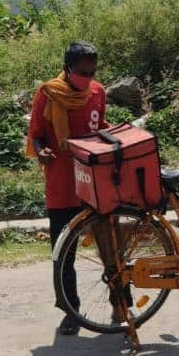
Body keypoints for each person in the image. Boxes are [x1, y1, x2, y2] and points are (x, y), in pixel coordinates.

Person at [25, 42, 108, 335]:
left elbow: (101, 127)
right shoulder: (49, 93)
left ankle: (120, 303)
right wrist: (42, 150)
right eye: (82, 71)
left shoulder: (97, 92)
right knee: (63, 257)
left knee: (110, 250)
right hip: (62, 184)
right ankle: (70, 311)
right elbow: (35, 134)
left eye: (92, 71)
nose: (88, 77)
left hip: (93, 182)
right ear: (67, 68)